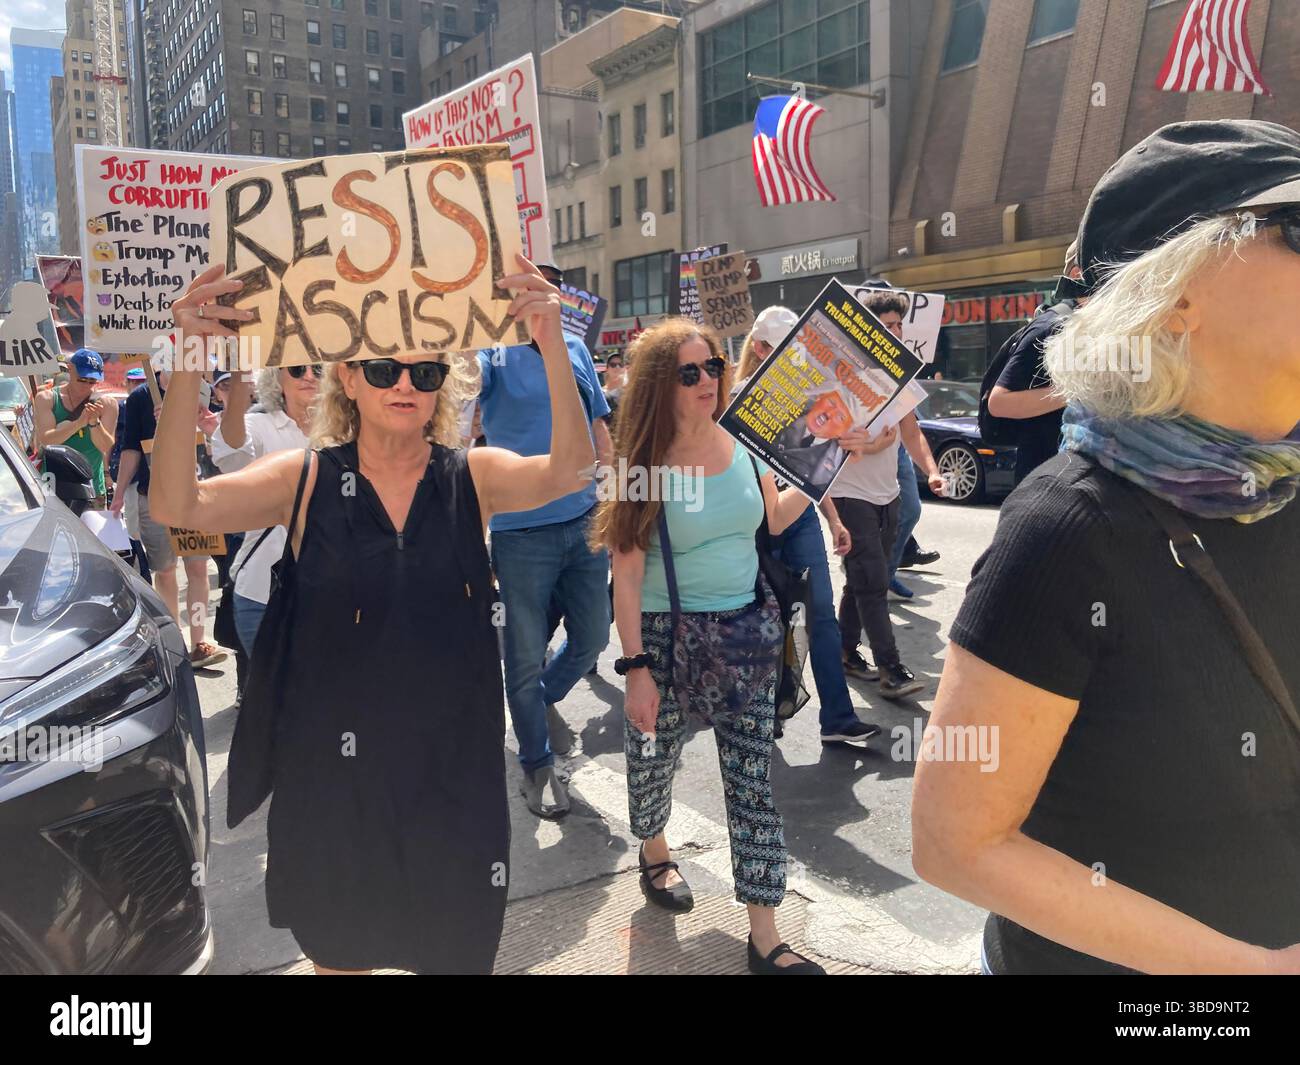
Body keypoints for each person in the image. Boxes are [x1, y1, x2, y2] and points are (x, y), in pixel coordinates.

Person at [913, 119, 1300, 975]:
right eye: (1298, 228)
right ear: (1174, 294)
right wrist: (1249, 973)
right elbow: (953, 840)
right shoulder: (1066, 528)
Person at [151, 255, 594, 975]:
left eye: (425, 373)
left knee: (453, 950)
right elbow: (178, 505)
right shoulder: (303, 480)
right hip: (335, 779)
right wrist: (187, 364)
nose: (405, 385)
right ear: (348, 378)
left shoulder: (470, 478)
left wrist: (551, 343)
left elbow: (570, 471)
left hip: (451, 776)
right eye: (384, 368)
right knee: (343, 952)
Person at [594, 317, 828, 974]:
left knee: (752, 781)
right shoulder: (639, 461)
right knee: (652, 759)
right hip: (667, 640)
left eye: (714, 367)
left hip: (746, 630)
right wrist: (636, 668)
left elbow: (773, 517)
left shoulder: (745, 441)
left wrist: (821, 466)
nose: (707, 381)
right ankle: (655, 847)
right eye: (689, 372)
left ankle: (764, 934)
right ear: (660, 386)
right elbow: (628, 571)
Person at [478, 262, 613, 819]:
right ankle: (535, 762)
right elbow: (458, 411)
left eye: (549, 286)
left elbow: (598, 428)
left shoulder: (575, 349)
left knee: (593, 640)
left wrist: (615, 502)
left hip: (584, 522)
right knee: (524, 656)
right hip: (520, 533)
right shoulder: (490, 355)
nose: (541, 295)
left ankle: (535, 704)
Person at [735, 306, 879, 746]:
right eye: (783, 350)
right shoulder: (742, 396)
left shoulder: (811, 397)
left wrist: (832, 517)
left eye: (798, 352)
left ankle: (837, 717)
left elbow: (808, 469)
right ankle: (761, 714)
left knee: (820, 617)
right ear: (760, 350)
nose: (795, 361)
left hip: (798, 521)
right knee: (763, 624)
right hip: (751, 527)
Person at [832, 291, 945, 699]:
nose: (895, 332)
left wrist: (931, 472)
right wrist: (873, 443)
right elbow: (840, 440)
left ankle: (844, 651)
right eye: (887, 325)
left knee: (860, 582)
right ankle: (890, 668)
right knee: (874, 582)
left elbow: (909, 433)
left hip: (888, 496)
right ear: (867, 330)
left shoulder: (900, 378)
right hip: (849, 496)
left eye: (899, 325)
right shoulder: (842, 375)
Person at [111, 365, 228, 669]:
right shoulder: (140, 398)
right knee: (164, 571)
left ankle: (200, 640)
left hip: (196, 494)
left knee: (199, 570)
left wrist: (190, 422)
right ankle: (176, 639)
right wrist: (120, 492)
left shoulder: (200, 389)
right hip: (156, 496)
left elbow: (218, 437)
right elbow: (131, 449)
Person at [210, 365, 319, 659]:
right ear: (278, 377)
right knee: (270, 697)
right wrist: (240, 377)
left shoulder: (345, 431)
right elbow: (231, 455)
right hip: (263, 595)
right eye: (297, 369)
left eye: (318, 369)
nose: (309, 376)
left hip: (330, 598)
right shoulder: (259, 424)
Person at [985, 245, 1080, 484]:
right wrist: (1076, 392)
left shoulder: (1099, 328)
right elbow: (998, 402)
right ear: (1078, 274)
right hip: (1043, 483)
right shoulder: (1050, 327)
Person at [34, 348, 117, 508]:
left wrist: (93, 423)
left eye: (92, 382)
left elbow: (105, 446)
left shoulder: (107, 404)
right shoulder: (47, 399)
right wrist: (79, 423)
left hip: (91, 490)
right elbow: (46, 441)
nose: (86, 386)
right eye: (82, 380)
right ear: (70, 369)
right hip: (52, 487)